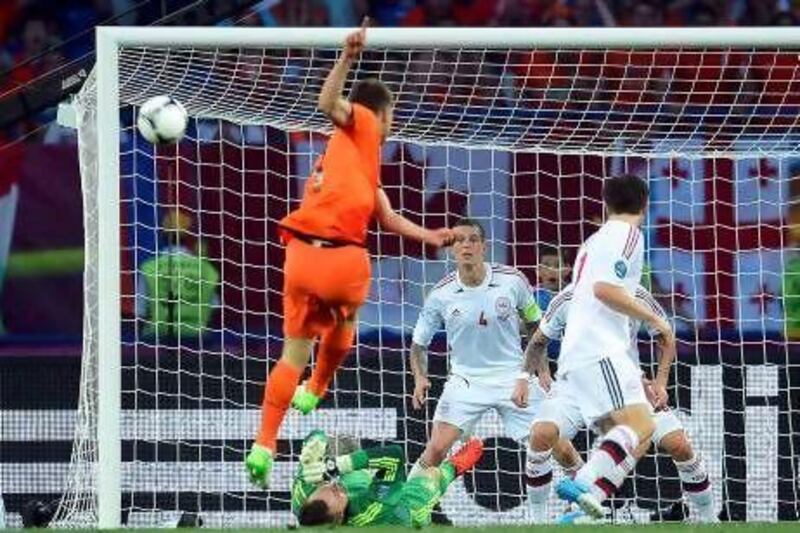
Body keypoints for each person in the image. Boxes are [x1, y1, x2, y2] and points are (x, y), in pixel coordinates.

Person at [246, 19, 452, 488]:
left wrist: (431, 235)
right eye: (393, 113)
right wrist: (347, 54)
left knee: (291, 352)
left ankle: (264, 443)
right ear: (383, 112)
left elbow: (391, 217)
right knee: (343, 328)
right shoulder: (362, 122)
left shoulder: (348, 159)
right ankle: (317, 387)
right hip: (342, 261)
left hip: (300, 256)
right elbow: (326, 103)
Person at [408, 217, 582, 523]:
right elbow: (418, 344)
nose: (466, 246)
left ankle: (588, 503)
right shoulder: (440, 294)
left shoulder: (513, 281)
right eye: (459, 240)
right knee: (435, 449)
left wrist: (540, 371)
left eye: (472, 240)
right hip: (465, 382)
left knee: (561, 446)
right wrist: (420, 377)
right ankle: (405, 510)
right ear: (451, 249)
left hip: (513, 378)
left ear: (483, 246)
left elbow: (534, 327)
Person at [526, 174, 674, 519]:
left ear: (606, 205)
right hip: (600, 347)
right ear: (646, 203)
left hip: (585, 350)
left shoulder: (593, 241)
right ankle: (585, 481)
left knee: (636, 432)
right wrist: (655, 320)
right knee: (639, 427)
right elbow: (604, 290)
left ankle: (583, 506)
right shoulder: (629, 235)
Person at [526, 282, 716, 522]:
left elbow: (665, 333)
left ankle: (711, 520)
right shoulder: (567, 299)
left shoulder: (635, 294)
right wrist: (529, 376)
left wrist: (660, 382)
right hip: (577, 388)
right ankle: (538, 521)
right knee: (542, 433)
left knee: (678, 444)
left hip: (628, 388)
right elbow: (538, 340)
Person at [292, 431, 484, 527]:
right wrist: (344, 464)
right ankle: (476, 446)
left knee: (339, 444)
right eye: (337, 492)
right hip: (404, 513)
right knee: (432, 475)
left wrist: (315, 445)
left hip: (365, 488)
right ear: (339, 517)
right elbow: (394, 457)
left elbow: (315, 438)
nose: (334, 485)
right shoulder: (371, 510)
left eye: (329, 485)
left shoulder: (304, 493)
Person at [138, 209, 219, 339]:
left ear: (162, 235)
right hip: (196, 339)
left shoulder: (149, 267)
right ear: (187, 236)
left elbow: (140, 312)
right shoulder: (206, 269)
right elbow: (214, 308)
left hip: (159, 337)